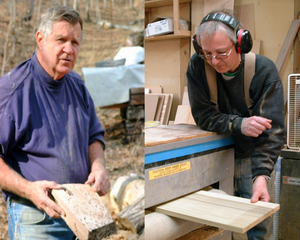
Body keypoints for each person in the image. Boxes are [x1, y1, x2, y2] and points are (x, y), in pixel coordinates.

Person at [0, 6, 110, 239]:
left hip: (82, 212)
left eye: (75, 42)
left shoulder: (76, 84)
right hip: (37, 217)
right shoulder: (13, 91)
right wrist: (30, 190)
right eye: (61, 39)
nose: (69, 50)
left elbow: (94, 137)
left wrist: (99, 167)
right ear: (40, 39)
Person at [186, 9, 285, 240]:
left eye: (221, 53)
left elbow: (272, 132)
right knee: (214, 227)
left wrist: (261, 176)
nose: (214, 61)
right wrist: (240, 124)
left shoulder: (263, 71)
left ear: (240, 43)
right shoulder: (198, 66)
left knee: (257, 226)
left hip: (253, 156)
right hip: (215, 157)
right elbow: (202, 115)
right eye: (207, 53)